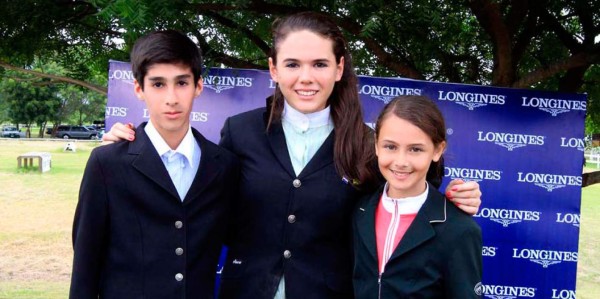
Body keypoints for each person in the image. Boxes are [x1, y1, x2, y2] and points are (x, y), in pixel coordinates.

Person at [103, 12, 482, 298]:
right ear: (273, 69)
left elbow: (408, 192)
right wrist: (133, 145)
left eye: (319, 64)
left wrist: (456, 194)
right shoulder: (240, 130)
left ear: (339, 69)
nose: (306, 77)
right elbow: (189, 192)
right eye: (292, 64)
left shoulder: (369, 143)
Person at [69, 30, 240, 298]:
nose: (171, 98)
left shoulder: (224, 165)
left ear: (198, 86)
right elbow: (85, 261)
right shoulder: (107, 163)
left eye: (181, 83)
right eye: (158, 84)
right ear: (139, 89)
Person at [353, 95, 482, 298]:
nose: (401, 161)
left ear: (437, 150)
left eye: (415, 149)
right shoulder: (359, 211)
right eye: (390, 146)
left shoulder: (459, 228)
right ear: (376, 144)